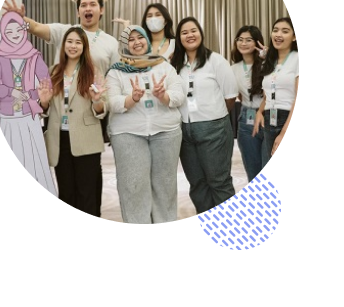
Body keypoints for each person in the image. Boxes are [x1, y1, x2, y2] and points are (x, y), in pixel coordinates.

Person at [2, 0, 120, 217]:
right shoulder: (57, 58)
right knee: (65, 192)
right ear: (77, 11)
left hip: (89, 122)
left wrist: (102, 104)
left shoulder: (109, 45)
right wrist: (19, 19)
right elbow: (36, 27)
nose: (87, 8)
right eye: (83, 5)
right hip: (59, 131)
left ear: (101, 10)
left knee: (88, 190)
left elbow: (113, 82)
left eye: (92, 4)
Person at [105, 25, 185, 224]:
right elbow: (111, 102)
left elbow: (179, 95)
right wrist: (131, 99)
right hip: (127, 133)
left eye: (140, 37)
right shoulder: (116, 71)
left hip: (166, 132)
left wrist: (163, 95)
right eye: (130, 39)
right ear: (125, 45)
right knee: (133, 186)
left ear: (147, 40)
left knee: (165, 186)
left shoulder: (163, 65)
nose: (136, 42)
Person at [170, 17, 239, 214]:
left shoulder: (216, 60)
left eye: (193, 30)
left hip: (214, 128)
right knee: (197, 183)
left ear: (201, 33)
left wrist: (214, 117)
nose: (189, 35)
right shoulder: (175, 64)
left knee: (219, 182)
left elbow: (230, 96)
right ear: (179, 38)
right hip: (185, 130)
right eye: (184, 32)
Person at [39, 26, 107, 215]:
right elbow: (45, 110)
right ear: (63, 45)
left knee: (87, 194)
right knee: (66, 193)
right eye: (69, 41)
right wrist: (43, 102)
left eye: (78, 42)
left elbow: (102, 110)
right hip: (59, 140)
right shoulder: (53, 71)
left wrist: (97, 100)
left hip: (86, 138)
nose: (73, 46)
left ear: (84, 47)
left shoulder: (93, 72)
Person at [0, 11, 57, 197]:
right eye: (9, 32)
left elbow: (46, 85)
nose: (14, 35)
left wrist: (30, 94)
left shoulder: (34, 56)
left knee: (33, 164)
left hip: (29, 120)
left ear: (23, 30)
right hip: (6, 121)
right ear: (3, 33)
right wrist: (10, 91)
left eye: (17, 30)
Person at [253, 16, 299, 160]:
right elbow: (268, 94)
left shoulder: (297, 59)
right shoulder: (269, 62)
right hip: (270, 119)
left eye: (285, 31)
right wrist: (260, 112)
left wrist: (284, 132)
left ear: (294, 37)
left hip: (287, 118)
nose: (278, 34)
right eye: (275, 30)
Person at [231, 25, 267, 182]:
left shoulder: (267, 64)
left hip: (268, 116)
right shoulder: (233, 68)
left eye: (248, 40)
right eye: (240, 39)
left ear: (257, 42)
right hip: (247, 118)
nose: (243, 43)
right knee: (253, 170)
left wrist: (269, 58)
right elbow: (237, 94)